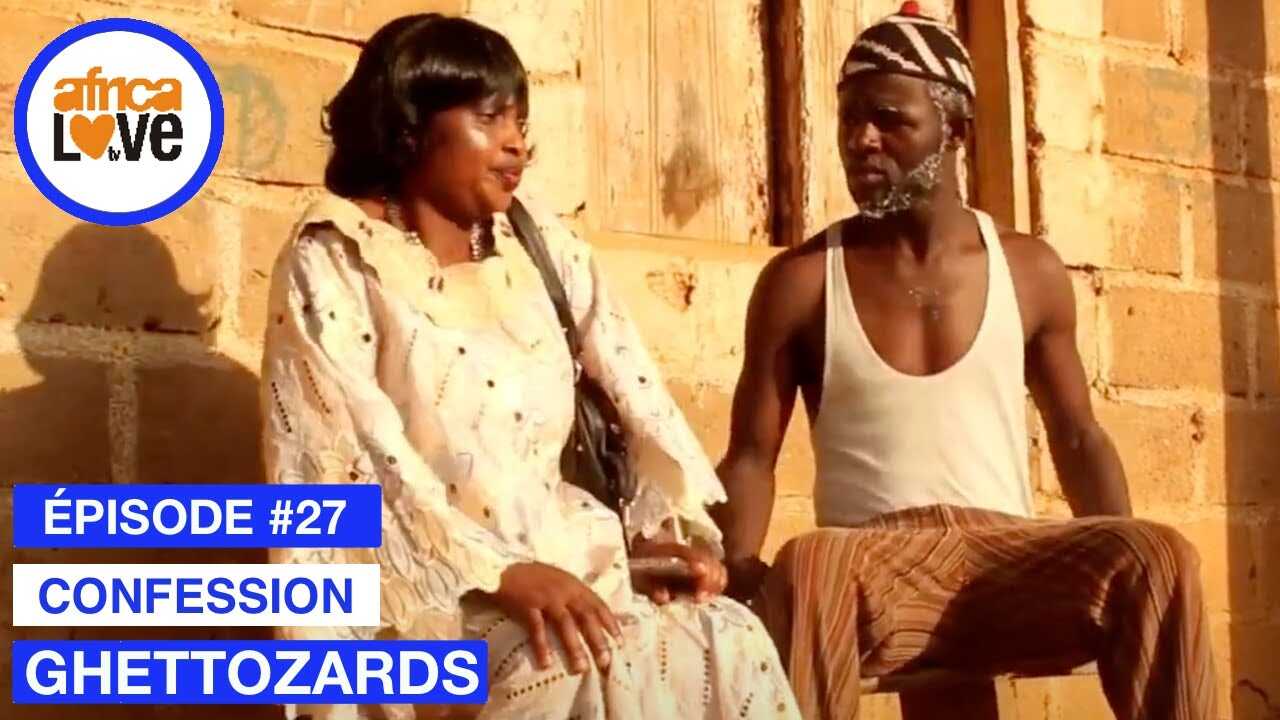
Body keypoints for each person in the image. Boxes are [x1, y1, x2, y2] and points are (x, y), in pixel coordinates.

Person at [258, 13, 800, 720]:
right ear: (411, 126)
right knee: (574, 664)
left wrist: (658, 540)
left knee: (725, 637)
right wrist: (501, 572)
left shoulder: (540, 244)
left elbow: (636, 400)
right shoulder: (335, 257)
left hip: (573, 567)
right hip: (424, 600)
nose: (516, 142)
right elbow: (355, 463)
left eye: (520, 120)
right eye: (489, 118)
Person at [712, 6, 1217, 720]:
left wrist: (1117, 552)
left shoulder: (1029, 270)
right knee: (809, 564)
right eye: (849, 119)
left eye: (889, 120)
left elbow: (1078, 436)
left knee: (1159, 556)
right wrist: (732, 570)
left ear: (955, 130)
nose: (861, 139)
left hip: (1005, 562)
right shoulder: (801, 281)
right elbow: (751, 455)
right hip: (875, 571)